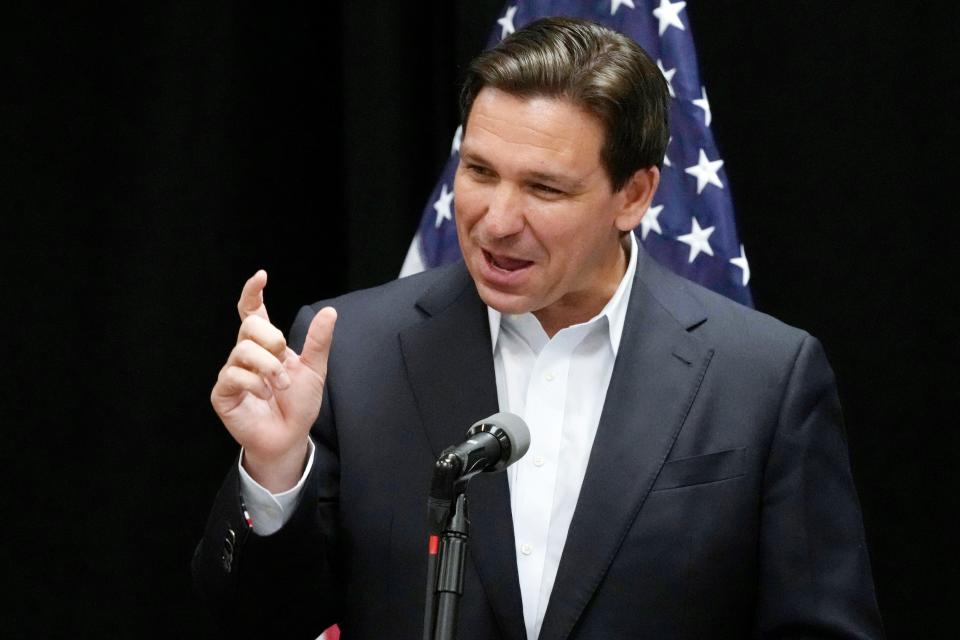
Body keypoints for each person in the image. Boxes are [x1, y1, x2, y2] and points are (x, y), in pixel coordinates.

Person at [194, 17, 883, 640]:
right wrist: (275, 472)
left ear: (635, 195)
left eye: (545, 189)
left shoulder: (762, 375)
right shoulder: (352, 351)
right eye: (480, 171)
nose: (496, 220)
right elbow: (261, 622)